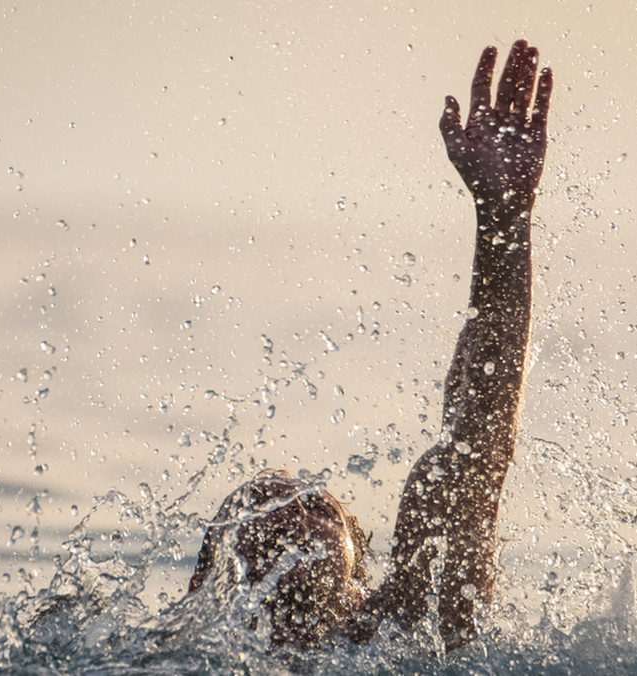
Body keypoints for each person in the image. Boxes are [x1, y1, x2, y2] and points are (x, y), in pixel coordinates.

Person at [188, 40, 553, 651]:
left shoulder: (406, 627)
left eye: (321, 510)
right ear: (206, 581)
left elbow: (481, 438)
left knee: (437, 485)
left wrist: (503, 218)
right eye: (261, 506)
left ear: (360, 570)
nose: (297, 515)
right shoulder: (166, 653)